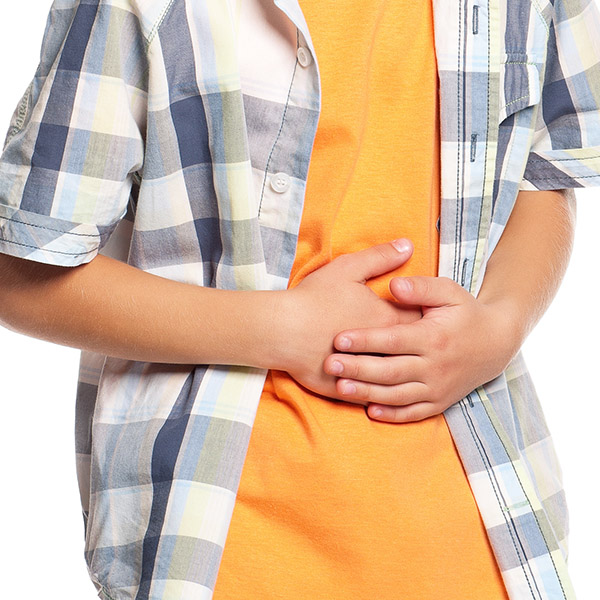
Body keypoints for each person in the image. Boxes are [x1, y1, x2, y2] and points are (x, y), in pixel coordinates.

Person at [0, 0, 598, 599]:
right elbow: (20, 274)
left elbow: (545, 172)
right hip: (226, 542)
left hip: (485, 533)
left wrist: (502, 325)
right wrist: (280, 329)